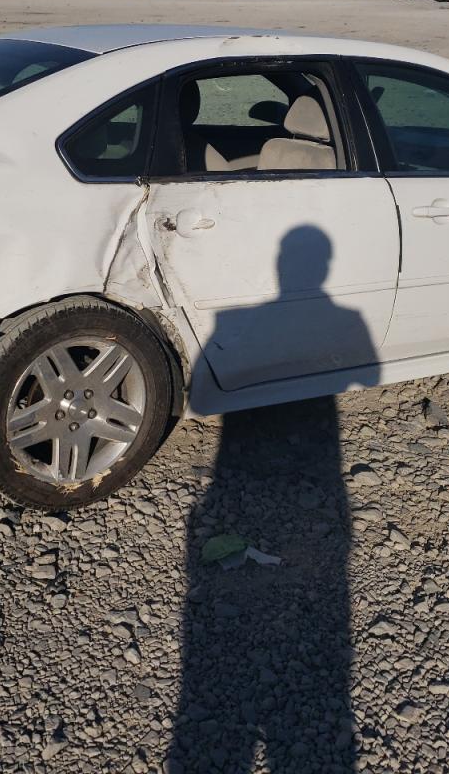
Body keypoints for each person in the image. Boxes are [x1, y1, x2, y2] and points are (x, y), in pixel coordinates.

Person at [169, 226, 379, 773]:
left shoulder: (238, 319)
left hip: (235, 473)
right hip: (319, 474)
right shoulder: (349, 318)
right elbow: (372, 371)